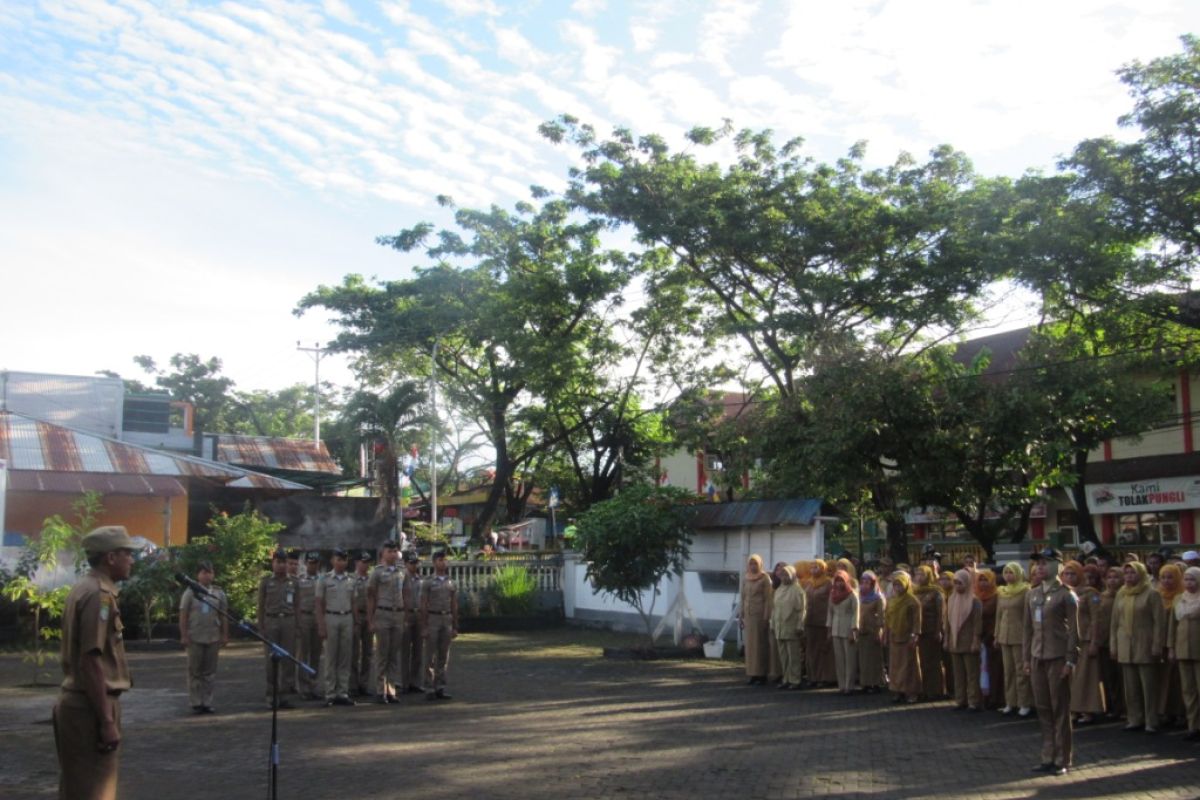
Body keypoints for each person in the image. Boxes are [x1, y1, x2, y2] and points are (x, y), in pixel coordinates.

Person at [53, 526, 142, 800]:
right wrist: (106, 720)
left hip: (83, 701)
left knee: (79, 787)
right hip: (90, 705)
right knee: (95, 790)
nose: (132, 560)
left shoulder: (85, 587)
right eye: (127, 553)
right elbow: (90, 660)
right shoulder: (99, 595)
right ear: (110, 557)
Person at [1022, 548, 1079, 776]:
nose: (1040, 567)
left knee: (1060, 710)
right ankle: (1047, 756)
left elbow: (1075, 631)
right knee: (1043, 709)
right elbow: (1027, 630)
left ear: (1058, 565)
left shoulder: (1067, 595)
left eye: (1046, 562)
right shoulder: (1032, 594)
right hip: (1037, 657)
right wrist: (1026, 658)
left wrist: (1070, 660)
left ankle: (1062, 759)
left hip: (1057, 658)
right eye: (1038, 563)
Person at [1111, 560, 1165, 733]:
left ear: (1141, 574)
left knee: (1148, 685)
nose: (1128, 577)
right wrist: (1114, 644)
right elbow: (1115, 622)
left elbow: (1159, 622)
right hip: (1125, 644)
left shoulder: (1152, 594)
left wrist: (1158, 644)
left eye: (1132, 573)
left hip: (1145, 643)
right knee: (1130, 685)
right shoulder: (1121, 593)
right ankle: (1135, 718)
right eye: (1126, 573)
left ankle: (1151, 720)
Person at [179, 561, 228, 713]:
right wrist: (184, 635)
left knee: (209, 671)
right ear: (197, 575)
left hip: (212, 636)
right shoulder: (190, 592)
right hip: (195, 636)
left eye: (209, 572)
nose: (207, 575)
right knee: (195, 671)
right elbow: (183, 615)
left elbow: (224, 615)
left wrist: (225, 635)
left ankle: (207, 701)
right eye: (203, 572)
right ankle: (196, 702)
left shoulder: (218, 593)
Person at [257, 548, 299, 709]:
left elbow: (297, 605)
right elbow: (260, 606)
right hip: (271, 622)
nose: (281, 566)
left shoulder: (293, 582)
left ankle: (284, 695)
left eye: (284, 562)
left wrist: (298, 626)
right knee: (271, 661)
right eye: (278, 562)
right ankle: (271, 695)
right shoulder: (266, 582)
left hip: (288, 622)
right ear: (273, 563)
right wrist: (261, 626)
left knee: (288, 660)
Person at [1063, 561, 1104, 725]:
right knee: (1071, 677)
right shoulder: (1063, 593)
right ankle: (1073, 710)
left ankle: (1088, 710)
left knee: (1085, 677)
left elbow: (1096, 620)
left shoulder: (1090, 593)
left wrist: (1094, 641)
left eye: (1073, 574)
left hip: (1086, 640)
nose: (1069, 577)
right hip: (1069, 640)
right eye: (1067, 574)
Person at [317, 548, 356, 706]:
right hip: (331, 617)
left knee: (345, 657)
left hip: (347, 617)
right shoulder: (324, 579)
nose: (341, 562)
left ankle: (343, 692)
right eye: (338, 559)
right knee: (331, 657)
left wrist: (356, 621)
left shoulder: (351, 580)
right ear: (332, 561)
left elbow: (353, 602)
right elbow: (319, 603)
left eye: (344, 560)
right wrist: (321, 624)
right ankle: (330, 693)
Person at [368, 540, 405, 704]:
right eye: (390, 551)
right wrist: (371, 619)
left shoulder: (401, 572)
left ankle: (391, 690)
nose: (393, 554)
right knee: (382, 654)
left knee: (393, 655)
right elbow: (370, 596)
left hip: (397, 615)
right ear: (383, 553)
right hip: (382, 613)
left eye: (395, 551)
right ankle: (380, 690)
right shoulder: (377, 572)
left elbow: (406, 593)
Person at [996, 562, 1034, 717]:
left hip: (1020, 636)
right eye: (1006, 572)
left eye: (1011, 572)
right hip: (1005, 636)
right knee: (1008, 671)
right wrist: (996, 634)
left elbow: (1028, 616)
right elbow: (999, 616)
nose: (1008, 576)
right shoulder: (1002, 592)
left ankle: (1024, 703)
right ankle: (1010, 702)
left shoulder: (1026, 591)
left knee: (1021, 671)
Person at [422, 550, 459, 699]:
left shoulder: (451, 582)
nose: (443, 562)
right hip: (433, 618)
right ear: (434, 562)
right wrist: (424, 626)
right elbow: (423, 604)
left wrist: (455, 626)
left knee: (444, 655)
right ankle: (429, 687)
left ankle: (440, 686)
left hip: (447, 619)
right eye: (440, 560)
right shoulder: (428, 582)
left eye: (445, 560)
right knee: (430, 654)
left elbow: (454, 604)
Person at [1168, 566, 1200, 741]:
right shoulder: (1178, 599)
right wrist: (1171, 648)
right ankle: (1192, 725)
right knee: (1188, 689)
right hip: (1182, 649)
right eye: (1186, 579)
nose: (1189, 583)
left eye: (1192, 579)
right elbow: (1172, 626)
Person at [945, 569, 983, 711]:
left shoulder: (975, 601)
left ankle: (974, 701)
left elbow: (977, 623)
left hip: (969, 642)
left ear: (967, 583)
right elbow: (947, 621)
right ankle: (961, 700)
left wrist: (975, 640)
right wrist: (947, 639)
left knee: (972, 674)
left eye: (960, 583)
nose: (958, 586)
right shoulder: (951, 599)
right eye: (955, 583)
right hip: (955, 641)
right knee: (958, 674)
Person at [884, 570, 922, 704]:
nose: (898, 588)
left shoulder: (913, 601)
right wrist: (886, 635)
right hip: (895, 637)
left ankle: (911, 693)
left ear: (906, 585)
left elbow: (917, 621)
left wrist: (914, 635)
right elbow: (887, 619)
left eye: (900, 585)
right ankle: (897, 691)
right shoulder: (892, 600)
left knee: (909, 666)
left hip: (908, 638)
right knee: (895, 666)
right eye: (895, 585)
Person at [1156, 563, 1186, 727]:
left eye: (1170, 577)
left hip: (1176, 644)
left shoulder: (1182, 596)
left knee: (1179, 681)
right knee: (1163, 679)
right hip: (1159, 644)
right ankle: (1166, 712)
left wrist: (1171, 646)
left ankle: (1181, 713)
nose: (1167, 581)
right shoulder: (1157, 596)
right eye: (1163, 578)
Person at [769, 564, 805, 689]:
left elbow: (802, 610)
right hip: (779, 627)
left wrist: (800, 625)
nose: (784, 577)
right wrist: (772, 623)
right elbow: (774, 609)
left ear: (792, 575)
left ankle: (795, 680)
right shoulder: (779, 589)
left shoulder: (797, 590)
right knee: (783, 656)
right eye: (782, 575)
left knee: (793, 655)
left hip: (792, 627)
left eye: (787, 575)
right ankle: (786, 678)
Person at [1095, 566, 1124, 719]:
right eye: (1109, 577)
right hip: (1104, 642)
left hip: (1120, 642)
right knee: (1108, 677)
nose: (1112, 581)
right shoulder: (1102, 596)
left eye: (1116, 577)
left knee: (1121, 678)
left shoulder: (1123, 595)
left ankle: (1122, 708)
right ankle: (1111, 706)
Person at [913, 565, 946, 701]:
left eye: (922, 574)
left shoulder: (936, 592)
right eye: (917, 574)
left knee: (933, 662)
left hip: (932, 631)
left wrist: (938, 630)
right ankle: (924, 690)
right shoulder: (915, 592)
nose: (919, 577)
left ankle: (936, 690)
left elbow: (941, 614)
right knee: (922, 662)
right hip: (919, 631)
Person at [740, 554, 773, 685]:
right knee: (750, 646)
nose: (753, 566)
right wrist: (742, 613)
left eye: (755, 564)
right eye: (751, 564)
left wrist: (766, 617)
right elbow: (743, 597)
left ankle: (762, 674)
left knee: (760, 645)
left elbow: (768, 599)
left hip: (759, 615)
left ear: (760, 564)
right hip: (749, 615)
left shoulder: (765, 578)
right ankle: (752, 673)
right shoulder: (746, 578)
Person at [827, 569, 860, 694]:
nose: (839, 584)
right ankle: (841, 685)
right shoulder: (833, 594)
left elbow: (856, 613)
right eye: (837, 581)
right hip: (836, 628)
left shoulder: (852, 594)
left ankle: (849, 685)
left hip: (848, 629)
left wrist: (854, 630)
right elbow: (830, 612)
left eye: (842, 581)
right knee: (839, 659)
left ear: (847, 581)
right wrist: (829, 628)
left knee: (849, 659)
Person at [295, 552, 323, 700]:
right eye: (311, 563)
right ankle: (303, 687)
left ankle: (313, 685)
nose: (313, 565)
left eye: (316, 562)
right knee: (303, 653)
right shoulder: (299, 580)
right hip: (304, 617)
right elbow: (296, 602)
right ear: (306, 564)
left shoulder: (323, 579)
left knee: (316, 654)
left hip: (317, 618)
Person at [975, 568, 1003, 709]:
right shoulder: (975, 595)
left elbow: (998, 617)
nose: (983, 583)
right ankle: (983, 697)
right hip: (978, 636)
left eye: (986, 580)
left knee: (994, 668)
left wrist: (990, 634)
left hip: (992, 636)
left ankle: (996, 698)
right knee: (981, 669)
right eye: (980, 580)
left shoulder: (997, 596)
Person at [804, 560, 835, 687]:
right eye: (811, 567)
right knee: (811, 650)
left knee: (823, 650)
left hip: (823, 621)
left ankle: (823, 677)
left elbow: (831, 603)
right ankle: (813, 677)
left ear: (823, 568)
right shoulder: (809, 583)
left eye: (816, 567)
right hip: (810, 621)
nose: (813, 570)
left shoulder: (828, 583)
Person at [857, 570, 887, 693]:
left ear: (873, 583)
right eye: (862, 582)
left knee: (874, 658)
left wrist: (879, 631)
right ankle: (865, 682)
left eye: (867, 582)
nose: (864, 584)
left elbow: (881, 616)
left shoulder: (878, 597)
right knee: (863, 658)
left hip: (873, 630)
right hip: (862, 630)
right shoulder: (859, 596)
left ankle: (875, 682)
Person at [400, 550, 424, 694]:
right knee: (405, 651)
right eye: (411, 563)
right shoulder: (402, 578)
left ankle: (415, 681)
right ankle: (405, 682)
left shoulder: (420, 579)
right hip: (406, 615)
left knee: (418, 651)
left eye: (416, 562)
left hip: (418, 615)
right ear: (405, 563)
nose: (414, 565)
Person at [349, 551, 373, 697]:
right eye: (363, 562)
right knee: (353, 652)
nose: (366, 565)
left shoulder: (371, 579)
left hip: (368, 616)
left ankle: (364, 684)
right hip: (354, 617)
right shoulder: (350, 579)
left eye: (368, 562)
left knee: (368, 653)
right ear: (357, 562)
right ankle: (352, 685)